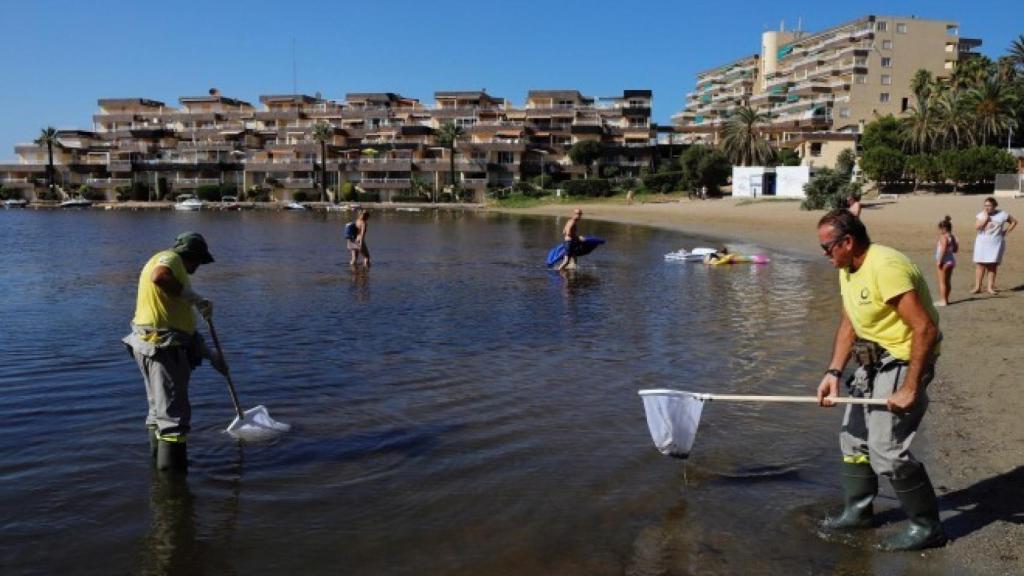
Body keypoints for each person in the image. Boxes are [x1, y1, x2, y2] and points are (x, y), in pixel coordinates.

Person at [815, 209, 946, 551]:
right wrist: (833, 372)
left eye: (827, 248)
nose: (825, 255)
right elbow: (850, 323)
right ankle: (859, 513)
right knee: (853, 439)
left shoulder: (885, 267)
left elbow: (925, 328)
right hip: (871, 362)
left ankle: (927, 527)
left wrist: (910, 387)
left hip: (905, 359)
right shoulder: (846, 268)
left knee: (886, 450)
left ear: (848, 241)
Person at [123, 232, 227, 472]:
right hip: (162, 347)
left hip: (150, 343)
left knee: (158, 412)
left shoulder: (163, 260)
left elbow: (179, 325)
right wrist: (195, 298)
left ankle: (159, 480)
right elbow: (159, 277)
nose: (198, 267)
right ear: (192, 256)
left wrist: (212, 356)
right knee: (173, 418)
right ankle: (174, 487)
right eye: (199, 262)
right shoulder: (169, 260)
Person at [970, 197, 1016, 295]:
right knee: (980, 265)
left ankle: (990, 288)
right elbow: (977, 227)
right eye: (985, 205)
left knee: (992, 266)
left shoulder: (1002, 214)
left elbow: (1014, 222)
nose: (987, 207)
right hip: (982, 243)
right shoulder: (981, 215)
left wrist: (1005, 232)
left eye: (989, 205)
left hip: (996, 243)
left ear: (995, 206)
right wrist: (986, 218)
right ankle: (978, 287)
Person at [934, 216, 958, 306]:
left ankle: (943, 301)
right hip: (951, 261)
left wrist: (939, 260)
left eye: (940, 229)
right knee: (947, 282)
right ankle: (946, 299)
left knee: (942, 282)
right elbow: (955, 250)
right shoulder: (953, 237)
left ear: (943, 228)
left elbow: (943, 249)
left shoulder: (943, 236)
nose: (939, 231)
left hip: (944, 261)